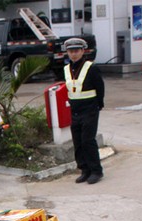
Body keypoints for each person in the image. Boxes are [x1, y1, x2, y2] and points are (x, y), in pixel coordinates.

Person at [63, 37, 105, 185]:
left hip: (90, 109)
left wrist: (98, 104)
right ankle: (84, 170)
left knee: (88, 140)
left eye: (76, 51)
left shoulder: (91, 68)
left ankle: (96, 171)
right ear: (67, 52)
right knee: (78, 142)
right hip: (75, 110)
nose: (73, 54)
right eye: (71, 51)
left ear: (82, 51)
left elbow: (100, 88)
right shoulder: (66, 69)